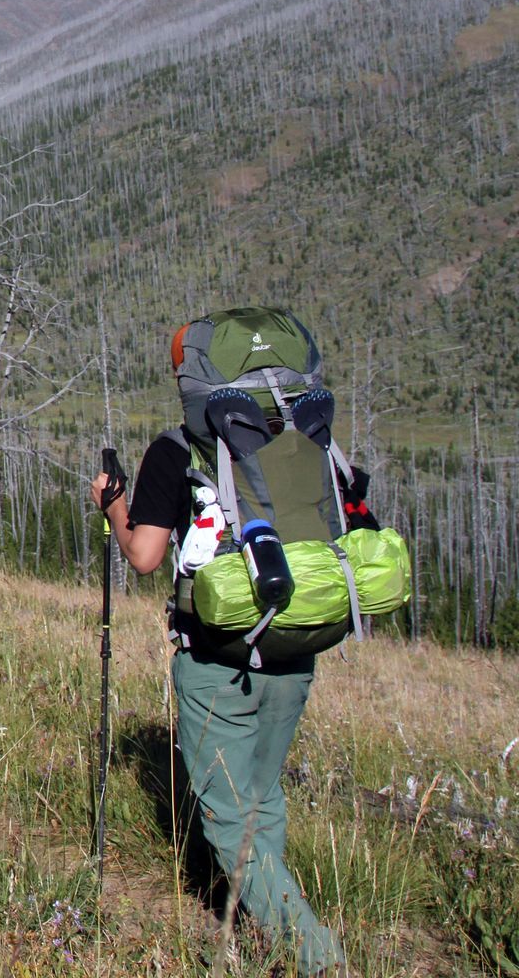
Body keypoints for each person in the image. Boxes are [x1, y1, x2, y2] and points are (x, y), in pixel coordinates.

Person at [91, 331, 347, 976]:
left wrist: (113, 505)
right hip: (295, 642)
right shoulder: (304, 440)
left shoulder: (178, 449)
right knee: (261, 793)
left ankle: (316, 956)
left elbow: (146, 557)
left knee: (228, 818)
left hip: (214, 654)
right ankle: (248, 922)